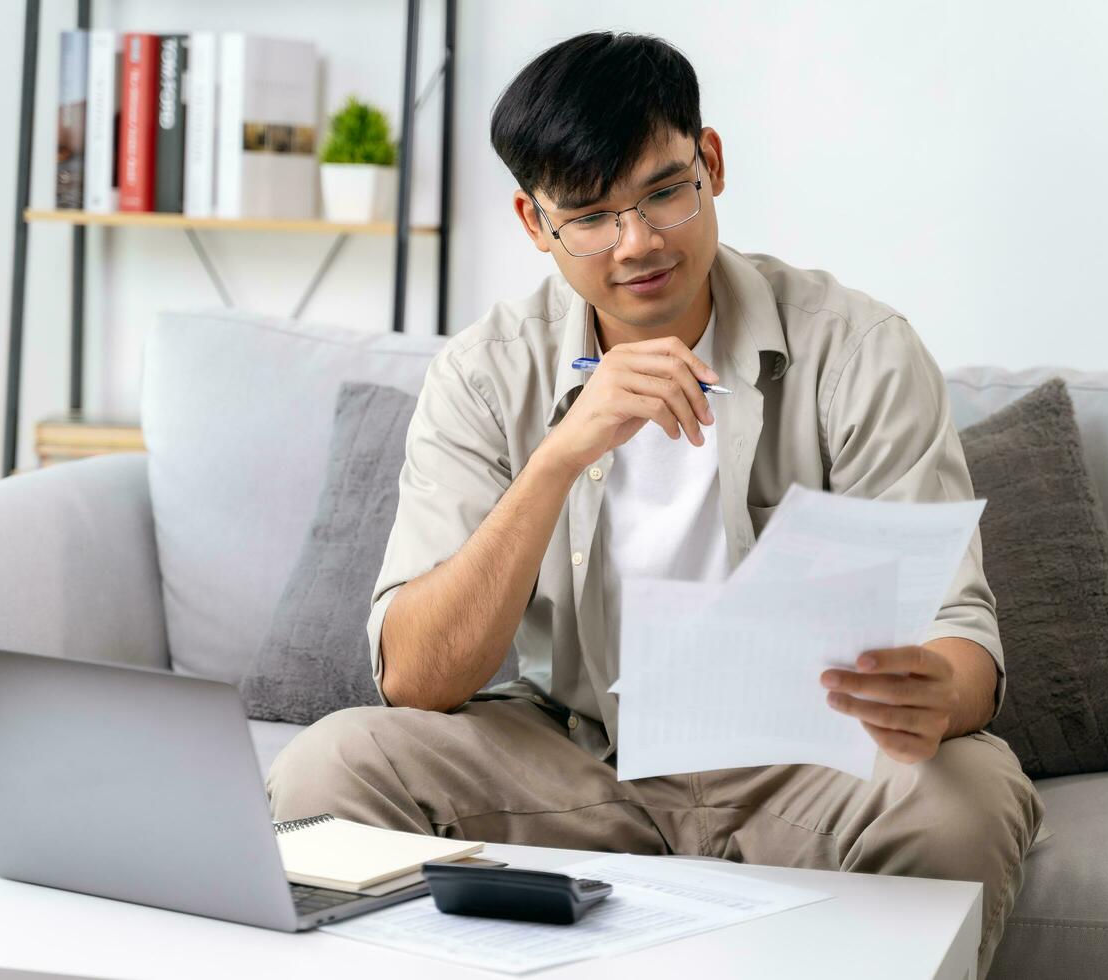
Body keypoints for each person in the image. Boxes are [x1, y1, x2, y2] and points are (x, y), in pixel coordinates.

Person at [269, 31, 1042, 976]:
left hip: (798, 769)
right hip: (571, 757)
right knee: (328, 767)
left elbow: (961, 633)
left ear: (710, 164)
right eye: (590, 216)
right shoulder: (483, 373)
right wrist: (558, 457)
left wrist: (937, 691)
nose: (636, 244)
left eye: (664, 193)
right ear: (533, 221)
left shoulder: (860, 349)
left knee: (967, 795)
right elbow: (416, 679)